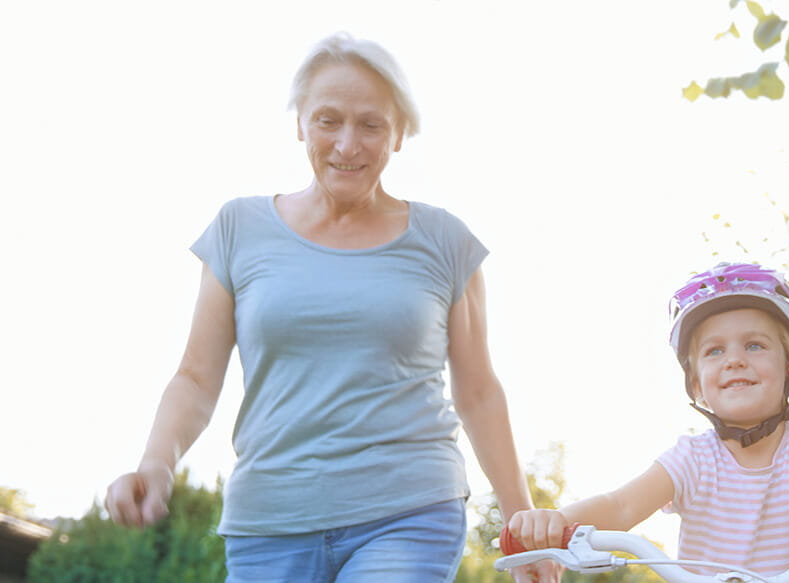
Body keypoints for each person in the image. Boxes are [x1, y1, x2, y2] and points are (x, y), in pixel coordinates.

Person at [104, 32, 555, 583]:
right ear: (299, 123)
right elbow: (196, 378)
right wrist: (157, 462)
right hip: (269, 522)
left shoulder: (445, 241)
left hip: (408, 511)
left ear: (400, 135)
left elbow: (479, 393)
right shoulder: (238, 229)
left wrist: (521, 523)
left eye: (371, 124)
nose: (348, 145)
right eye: (328, 120)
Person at [508, 262, 789, 582]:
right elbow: (621, 507)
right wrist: (555, 521)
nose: (734, 361)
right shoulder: (692, 459)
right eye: (714, 351)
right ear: (696, 385)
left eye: (754, 346)